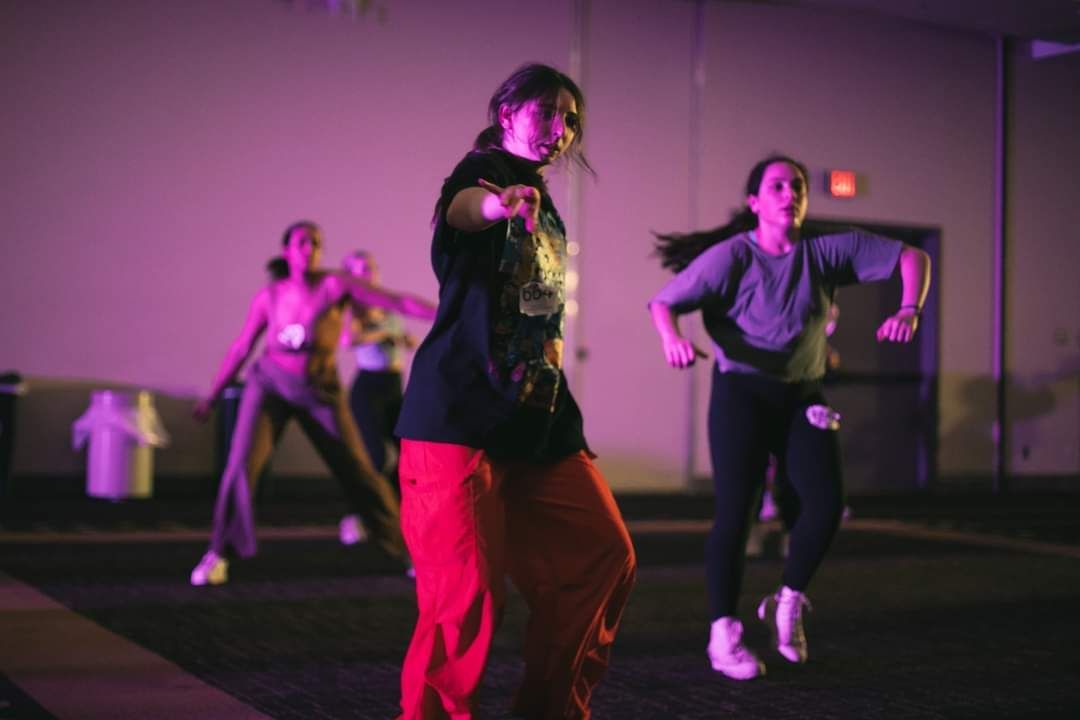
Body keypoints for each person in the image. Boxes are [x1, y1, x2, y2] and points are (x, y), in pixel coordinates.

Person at [393, 64, 636, 719]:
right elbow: (463, 210)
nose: (562, 129)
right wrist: (499, 204)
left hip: (537, 419)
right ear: (505, 111)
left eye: (572, 119)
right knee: (465, 597)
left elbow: (536, 307)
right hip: (458, 416)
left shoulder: (541, 198)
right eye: (549, 112)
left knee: (601, 554)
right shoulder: (484, 174)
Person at [648, 155, 931, 679]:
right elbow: (663, 303)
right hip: (742, 393)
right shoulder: (732, 256)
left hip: (803, 393)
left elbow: (912, 257)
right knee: (737, 510)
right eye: (777, 185)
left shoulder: (826, 251)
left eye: (797, 185)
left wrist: (909, 308)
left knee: (826, 505)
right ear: (755, 201)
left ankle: (788, 599)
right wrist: (673, 339)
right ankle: (722, 635)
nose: (790, 192)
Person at [190, 221, 436, 586]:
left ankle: (406, 551)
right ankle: (218, 553)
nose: (310, 249)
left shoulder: (334, 285)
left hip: (319, 389)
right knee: (241, 467)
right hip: (270, 385)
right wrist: (213, 394)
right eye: (302, 242)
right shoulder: (270, 297)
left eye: (316, 243)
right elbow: (242, 347)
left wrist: (446, 313)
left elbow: (394, 300)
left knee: (359, 470)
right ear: (287, 251)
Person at [337, 250, 427, 545]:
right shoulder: (353, 307)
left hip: (393, 387)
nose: (368, 274)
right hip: (367, 390)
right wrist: (381, 336)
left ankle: (394, 513)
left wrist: (405, 340)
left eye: (371, 268)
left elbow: (402, 334)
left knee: (407, 456)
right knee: (373, 458)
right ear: (350, 275)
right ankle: (356, 516)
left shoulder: (387, 306)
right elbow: (348, 339)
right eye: (360, 270)